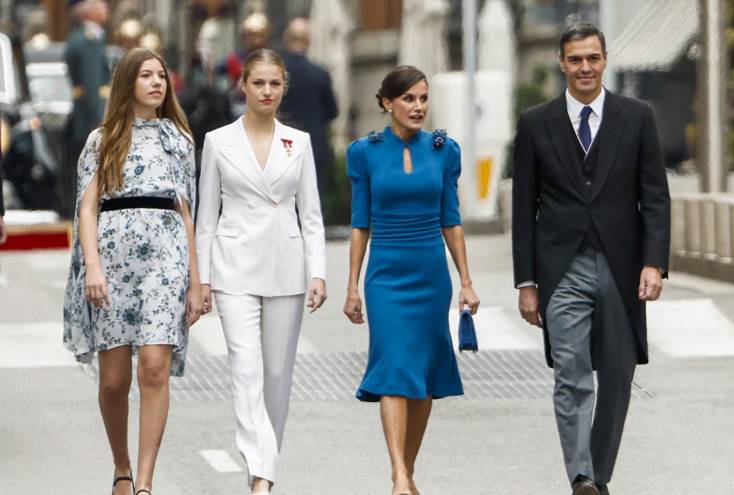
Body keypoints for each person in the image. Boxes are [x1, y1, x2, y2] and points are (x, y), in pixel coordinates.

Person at [511, 23, 670, 495]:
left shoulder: (637, 116)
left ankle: (598, 475)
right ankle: (581, 475)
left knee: (618, 374)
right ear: (561, 63)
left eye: (592, 58)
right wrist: (527, 282)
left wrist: (653, 263)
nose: (584, 67)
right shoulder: (536, 123)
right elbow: (525, 209)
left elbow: (655, 197)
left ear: (605, 60)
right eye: (575, 59)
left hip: (621, 268)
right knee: (571, 371)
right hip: (561, 270)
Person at [62, 48, 201, 495]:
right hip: (113, 260)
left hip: (166, 256)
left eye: (162, 75)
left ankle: (144, 482)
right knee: (114, 381)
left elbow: (188, 212)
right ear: (128, 83)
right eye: (146, 75)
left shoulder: (178, 140)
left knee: (155, 368)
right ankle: (121, 466)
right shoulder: (102, 140)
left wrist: (197, 282)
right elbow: (86, 210)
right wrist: (93, 268)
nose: (157, 82)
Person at [343, 65, 480, 495]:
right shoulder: (364, 152)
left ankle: (408, 470)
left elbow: (451, 220)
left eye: (423, 98)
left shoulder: (444, 151)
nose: (418, 106)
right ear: (387, 102)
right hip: (385, 276)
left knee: (423, 379)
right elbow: (360, 223)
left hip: (429, 274)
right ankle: (398, 477)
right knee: (394, 368)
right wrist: (352, 285)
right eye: (408, 99)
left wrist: (466, 280)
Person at [195, 48, 326, 495]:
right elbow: (206, 217)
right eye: (259, 83)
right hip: (233, 268)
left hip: (287, 268)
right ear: (243, 86)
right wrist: (204, 279)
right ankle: (263, 478)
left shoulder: (299, 142)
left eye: (275, 84)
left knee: (276, 377)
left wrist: (319, 272)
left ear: (283, 87)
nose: (267, 91)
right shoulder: (217, 141)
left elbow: (311, 215)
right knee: (245, 368)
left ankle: (261, 464)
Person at [62, 0, 111, 218]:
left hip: (84, 114)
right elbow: (92, 84)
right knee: (91, 168)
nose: (105, 8)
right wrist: (99, 117)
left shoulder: (87, 37)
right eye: (101, 4)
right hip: (90, 116)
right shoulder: (88, 40)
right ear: (89, 11)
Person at [279, 17, 339, 193]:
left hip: (281, 147)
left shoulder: (275, 75)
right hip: (314, 147)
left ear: (286, 38)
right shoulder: (319, 74)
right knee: (313, 204)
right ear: (308, 40)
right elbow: (333, 111)